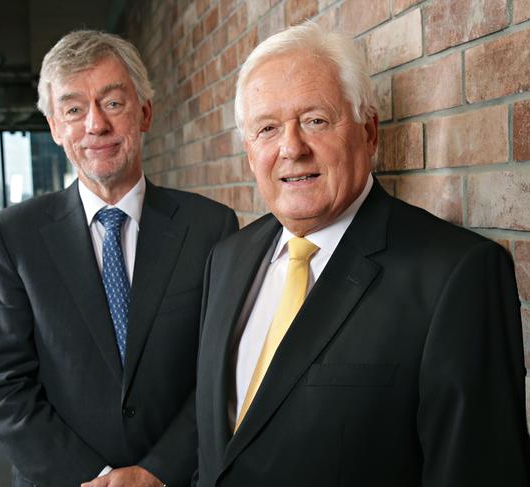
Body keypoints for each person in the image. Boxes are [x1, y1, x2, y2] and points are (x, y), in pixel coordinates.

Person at [194, 21, 530, 487]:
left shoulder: (457, 275)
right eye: (267, 128)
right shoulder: (226, 259)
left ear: (369, 132)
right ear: (250, 152)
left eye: (315, 120)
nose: (291, 148)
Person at [0, 30, 238, 487]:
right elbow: (0, 384)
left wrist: (159, 470)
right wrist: (93, 477)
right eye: (74, 109)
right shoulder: (14, 236)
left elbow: (226, 367)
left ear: (144, 112)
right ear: (55, 128)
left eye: (113, 103)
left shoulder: (211, 228)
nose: (95, 125)